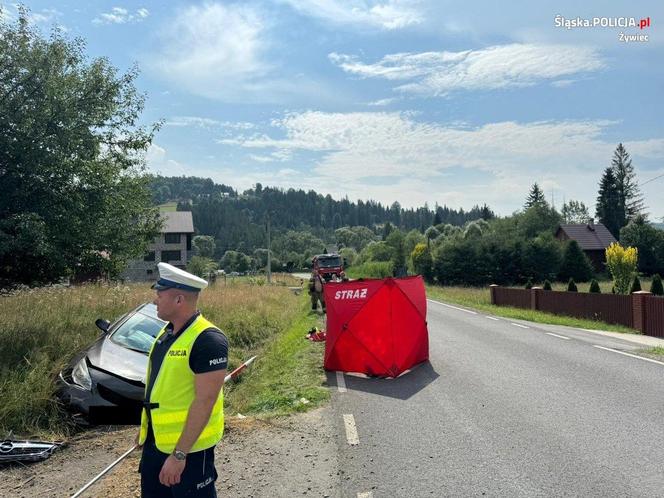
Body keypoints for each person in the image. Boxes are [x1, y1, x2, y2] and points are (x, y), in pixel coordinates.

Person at [137, 262, 228, 498]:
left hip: (189, 452)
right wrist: (146, 431)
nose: (155, 300)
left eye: (159, 294)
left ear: (179, 300)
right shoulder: (166, 333)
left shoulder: (208, 340)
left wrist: (179, 455)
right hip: (156, 444)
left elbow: (205, 401)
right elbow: (161, 389)